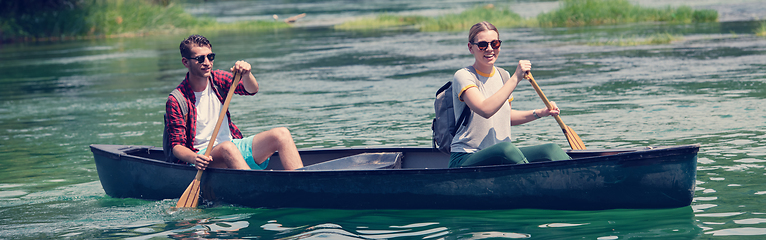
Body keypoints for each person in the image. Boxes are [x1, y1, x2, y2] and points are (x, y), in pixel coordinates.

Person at [165, 34, 304, 171]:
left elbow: (251, 90)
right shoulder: (177, 99)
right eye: (200, 59)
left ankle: (302, 184)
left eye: (210, 57)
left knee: (281, 134)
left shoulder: (218, 79)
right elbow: (177, 146)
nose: (207, 63)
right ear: (185, 62)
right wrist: (195, 159)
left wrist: (247, 74)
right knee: (227, 147)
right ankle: (254, 187)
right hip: (202, 155)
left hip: (232, 145)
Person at [449, 21, 571, 168]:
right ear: (471, 48)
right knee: (506, 149)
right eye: (483, 45)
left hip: (502, 157)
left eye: (495, 44)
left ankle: (578, 173)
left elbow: (506, 116)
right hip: (467, 157)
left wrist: (540, 113)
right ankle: (533, 177)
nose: (489, 49)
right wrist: (515, 78)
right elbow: (485, 110)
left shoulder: (503, 75)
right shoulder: (464, 76)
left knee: (550, 150)